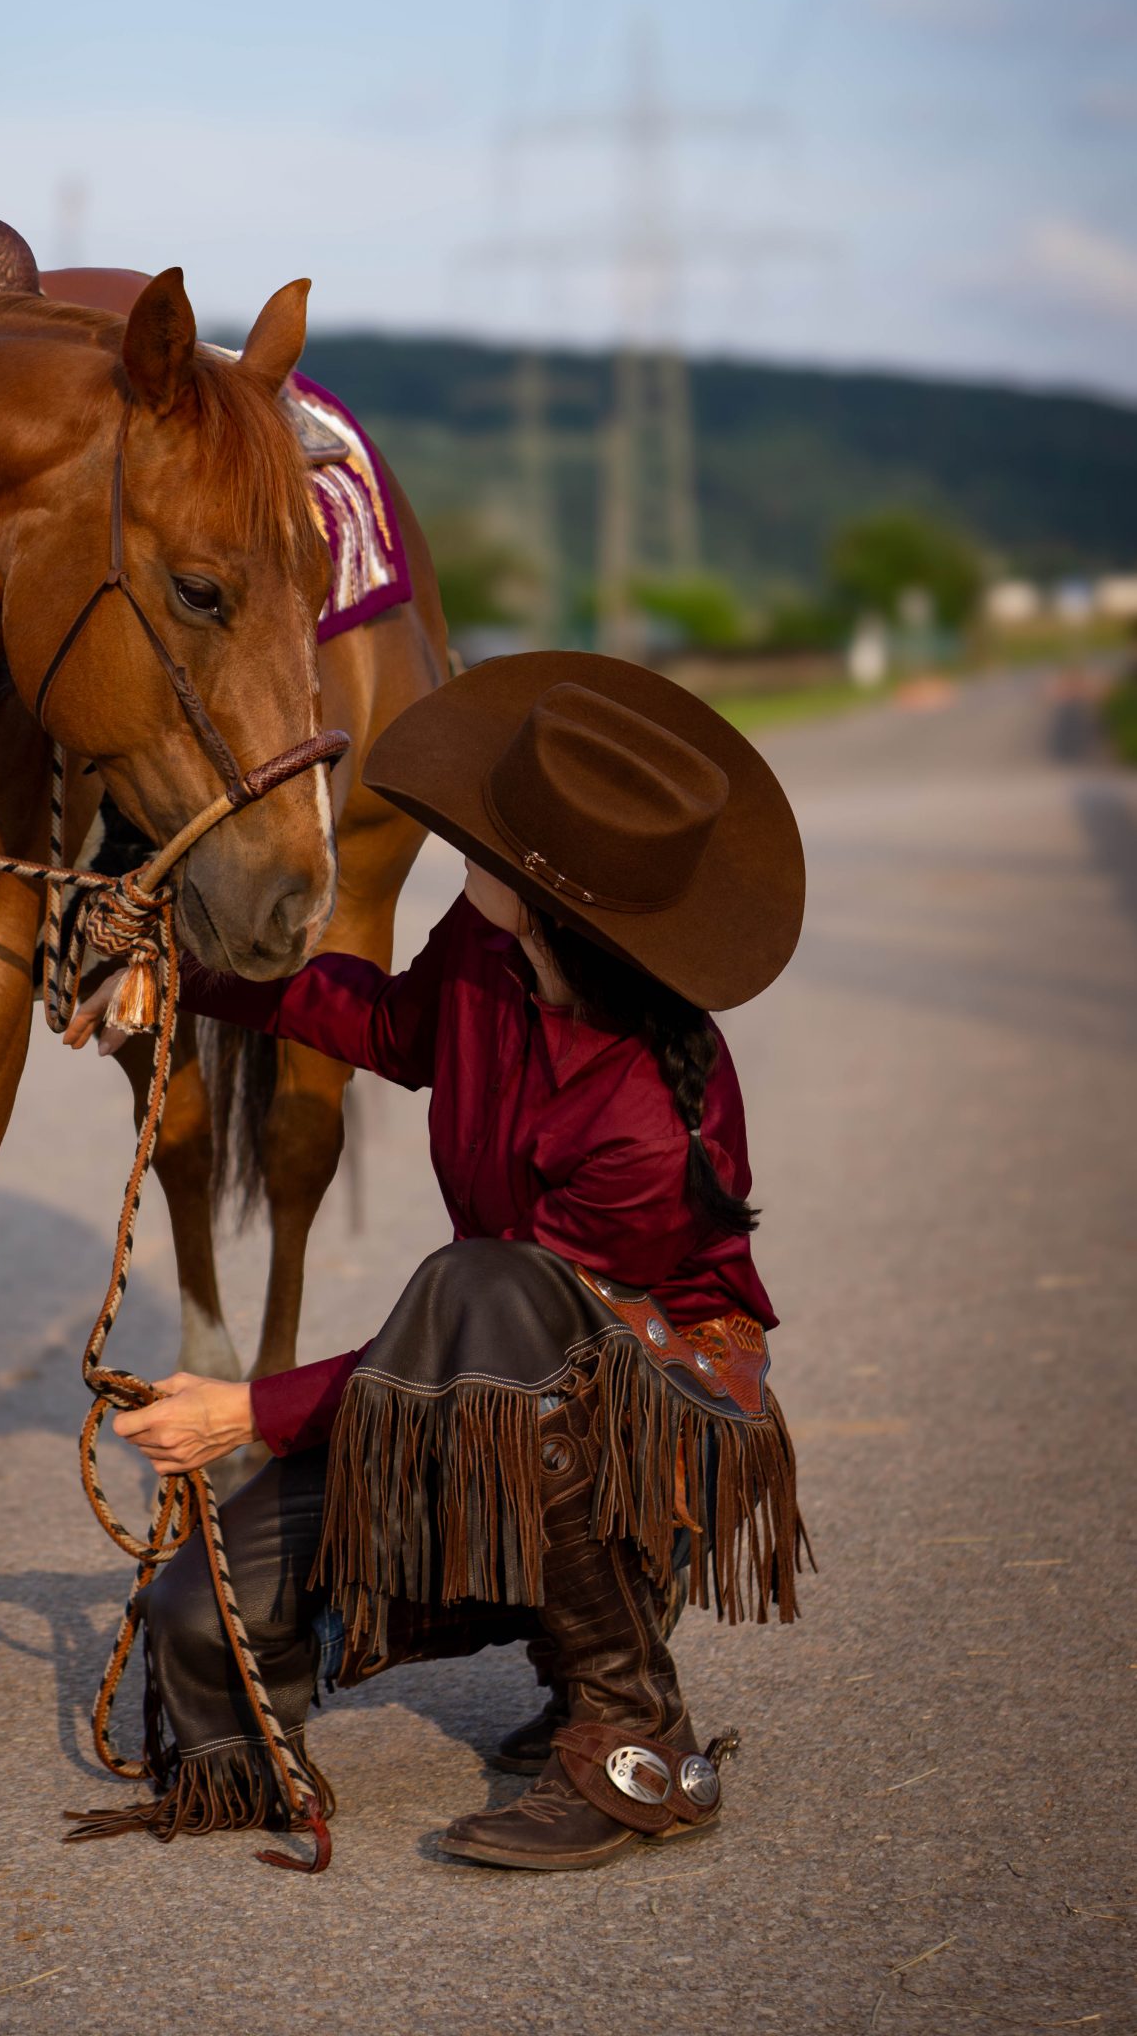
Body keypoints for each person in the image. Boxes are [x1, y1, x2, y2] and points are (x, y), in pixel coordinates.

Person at [64, 652, 809, 1871]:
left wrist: (252, 1409)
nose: (456, 838)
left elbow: (513, 1334)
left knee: (484, 1283)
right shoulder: (487, 940)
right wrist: (186, 978)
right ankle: (271, 1734)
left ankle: (638, 1735)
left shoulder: (646, 1123)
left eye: (486, 838)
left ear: (546, 896)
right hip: (491, 1385)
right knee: (197, 1613)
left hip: (646, 1415)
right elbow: (394, 1027)